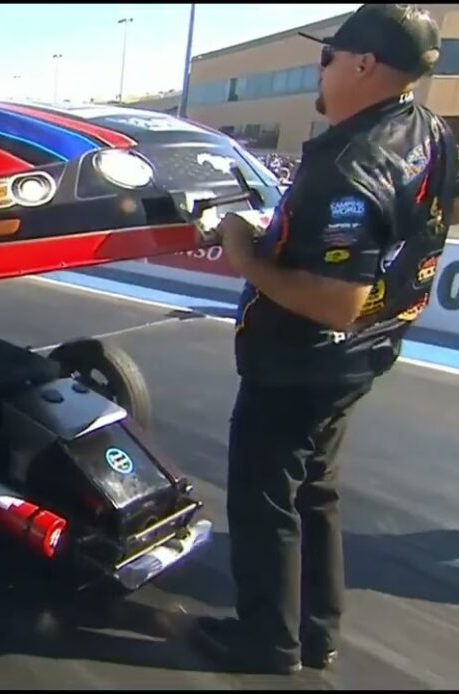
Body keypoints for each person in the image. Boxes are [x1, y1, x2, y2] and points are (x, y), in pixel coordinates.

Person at [192, 4, 455, 675]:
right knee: (315, 491)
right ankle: (316, 631)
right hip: (366, 354)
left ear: (364, 65)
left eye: (328, 56)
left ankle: (267, 641)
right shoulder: (424, 128)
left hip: (300, 364)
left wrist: (244, 251)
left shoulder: (352, 164)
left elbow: (335, 302)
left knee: (264, 498)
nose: (322, 65)